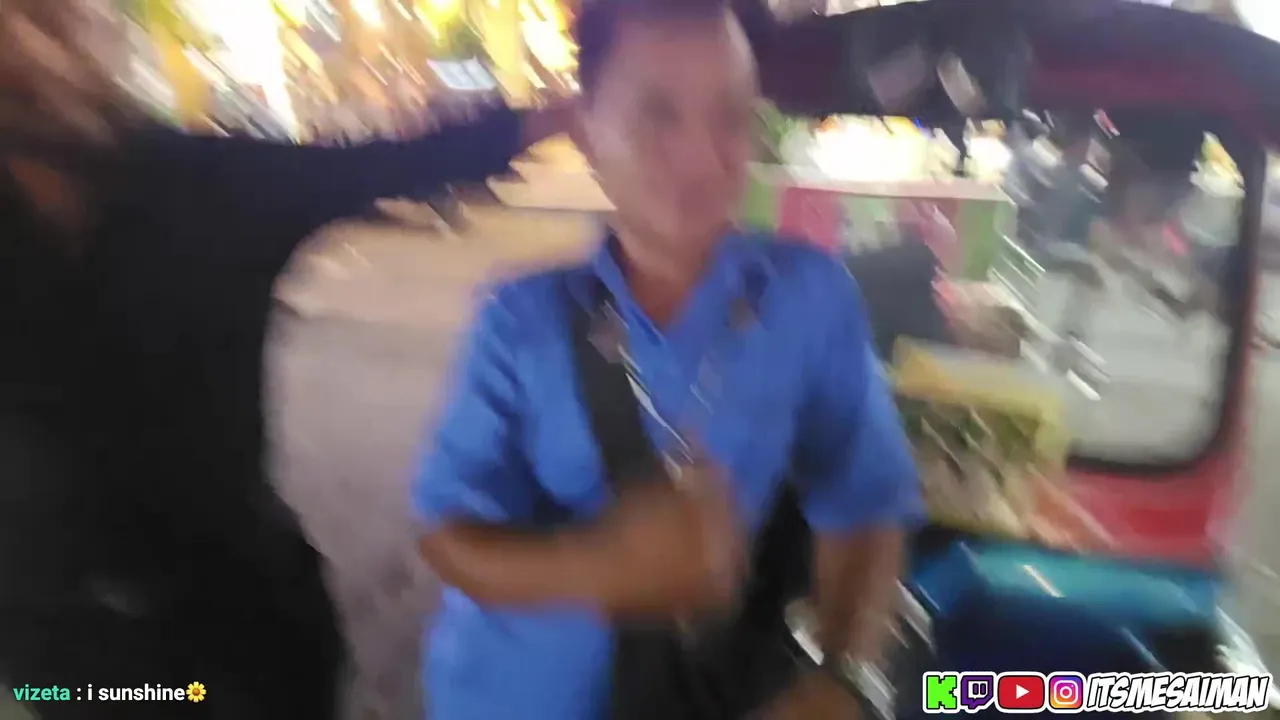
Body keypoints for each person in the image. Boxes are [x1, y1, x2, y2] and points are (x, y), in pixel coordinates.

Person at [0, 2, 572, 718]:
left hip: (143, 646)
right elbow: (389, 166)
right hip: (167, 640)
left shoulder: (189, 181)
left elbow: (387, 165)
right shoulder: (193, 182)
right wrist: (554, 119)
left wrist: (554, 118)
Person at [414, 1, 922, 718]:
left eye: (731, 116)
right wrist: (606, 567)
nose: (701, 158)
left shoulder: (808, 299)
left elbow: (866, 501)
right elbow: (447, 537)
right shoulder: (519, 321)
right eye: (658, 114)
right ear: (586, 130)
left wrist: (846, 675)